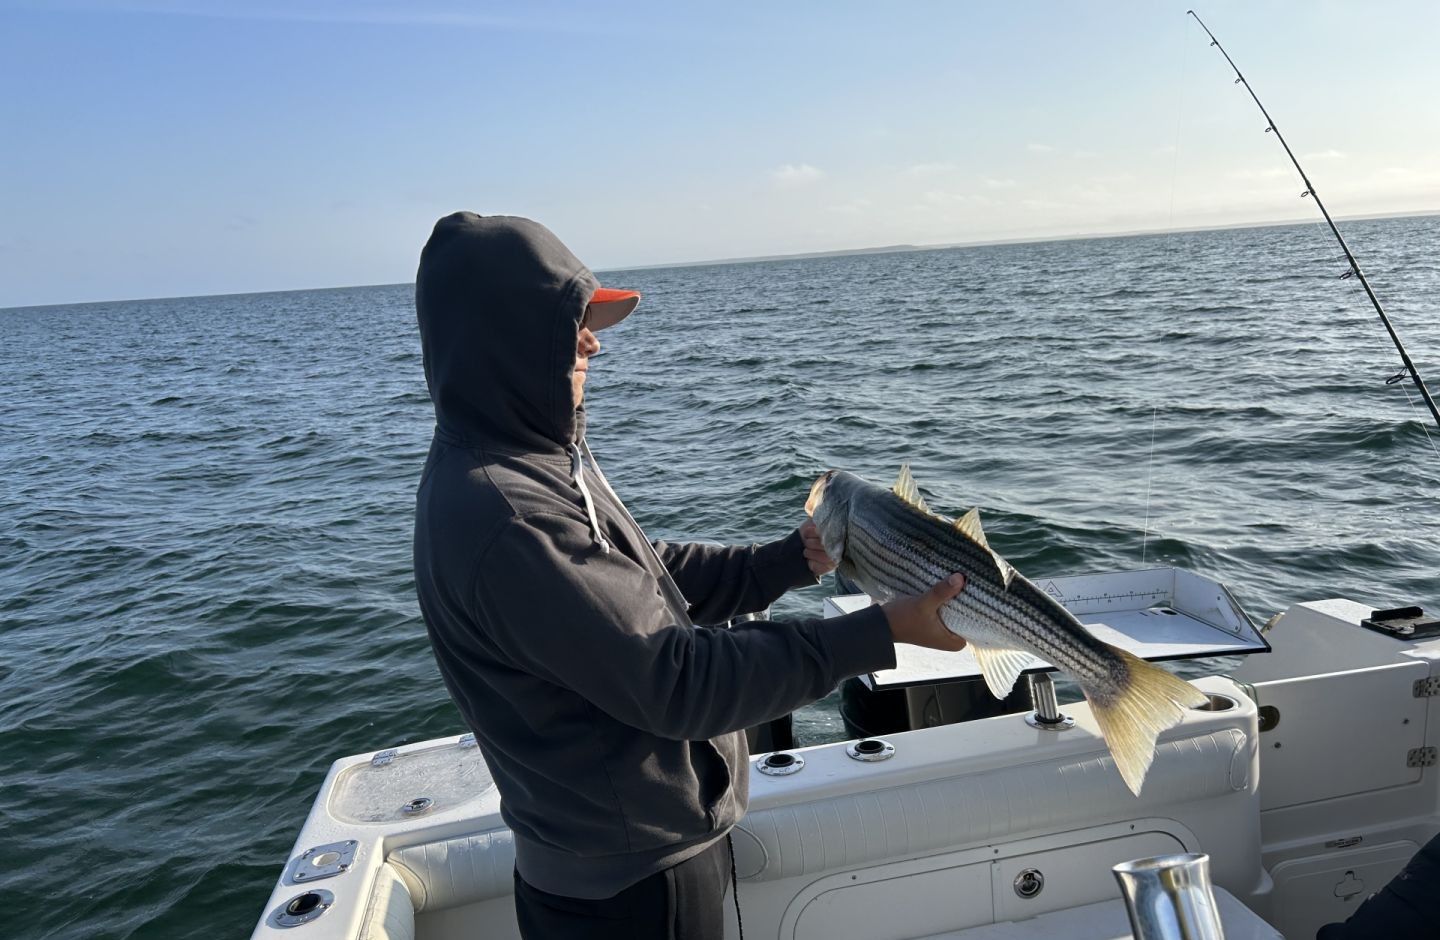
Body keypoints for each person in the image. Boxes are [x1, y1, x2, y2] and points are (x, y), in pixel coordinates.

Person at [412, 212, 968, 939]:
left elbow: (636, 574)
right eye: (572, 323)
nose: (593, 342)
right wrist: (879, 633)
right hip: (628, 895)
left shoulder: (525, 463)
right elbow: (676, 681)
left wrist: (782, 563)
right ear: (504, 342)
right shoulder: (507, 511)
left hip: (628, 863)